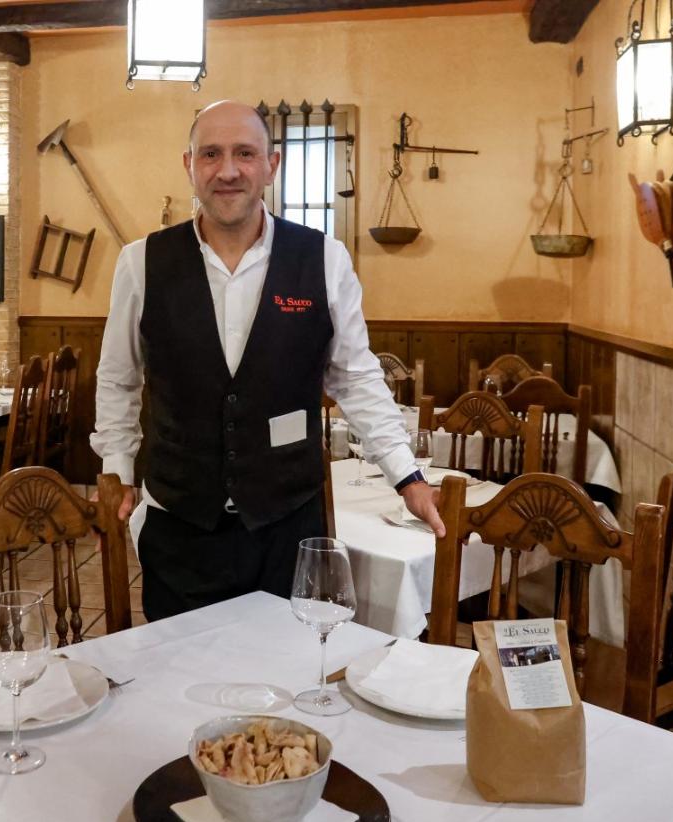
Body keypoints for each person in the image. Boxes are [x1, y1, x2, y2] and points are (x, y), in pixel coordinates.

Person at [91, 100, 443, 621]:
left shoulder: (323, 258)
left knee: (294, 682)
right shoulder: (141, 263)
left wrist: (405, 475)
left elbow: (357, 378)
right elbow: (118, 379)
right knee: (178, 684)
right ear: (189, 165)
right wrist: (117, 468)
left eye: (245, 154)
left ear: (271, 166)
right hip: (180, 526)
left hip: (289, 529)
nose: (228, 170)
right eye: (210, 154)